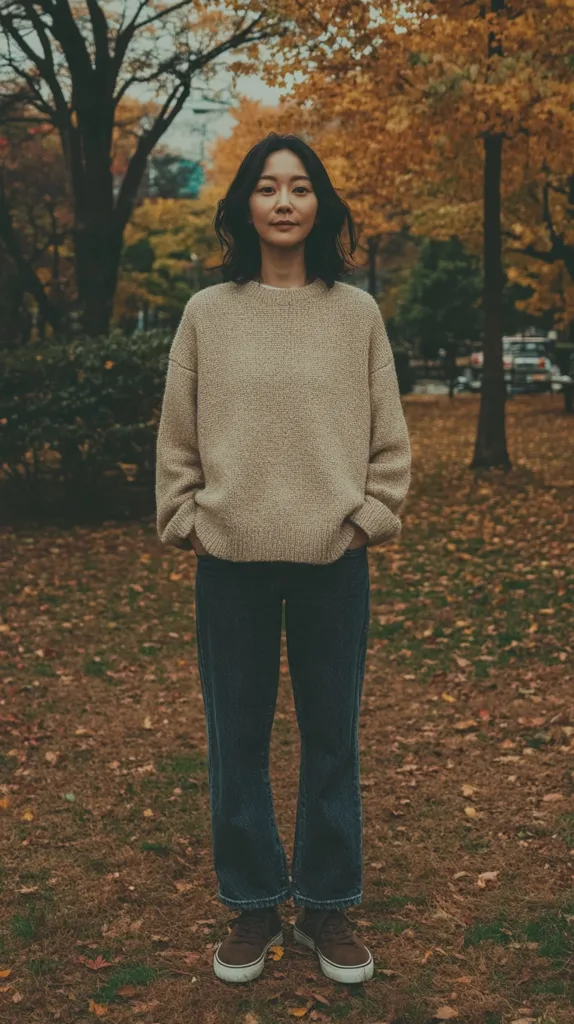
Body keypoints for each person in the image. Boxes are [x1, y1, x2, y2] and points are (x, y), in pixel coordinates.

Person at [155, 133, 412, 986]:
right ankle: (254, 902)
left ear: (321, 205)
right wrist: (186, 519)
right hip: (229, 561)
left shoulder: (357, 314)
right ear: (245, 206)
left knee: (331, 738)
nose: (284, 201)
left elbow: (389, 439)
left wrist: (368, 519)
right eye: (268, 187)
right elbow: (177, 434)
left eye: (300, 187)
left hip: (333, 560)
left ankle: (328, 905)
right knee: (237, 738)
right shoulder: (207, 313)